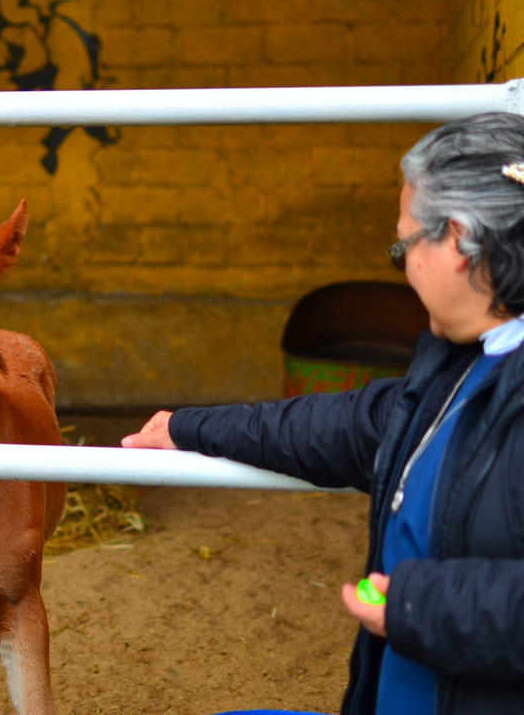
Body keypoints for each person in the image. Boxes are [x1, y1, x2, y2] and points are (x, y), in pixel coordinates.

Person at [123, 111, 524, 715]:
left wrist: (412, 604)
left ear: (460, 241)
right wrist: (188, 428)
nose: (405, 265)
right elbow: (348, 425)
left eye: (403, 246)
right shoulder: (458, 365)